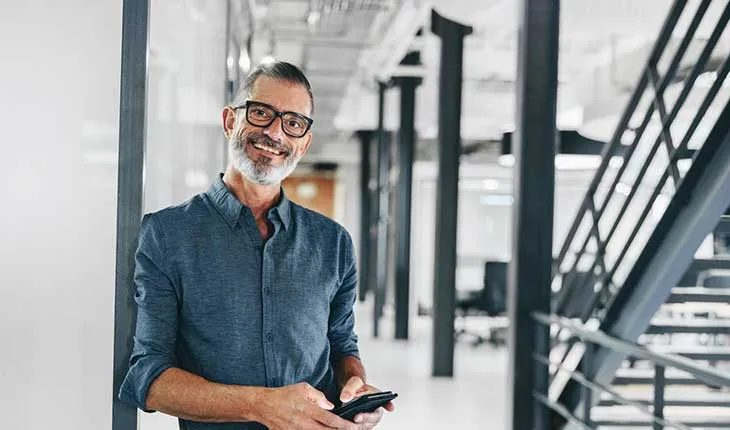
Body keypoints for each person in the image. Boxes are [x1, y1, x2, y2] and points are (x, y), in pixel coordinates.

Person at [119, 61, 394, 430]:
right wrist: (261, 405)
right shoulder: (168, 234)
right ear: (231, 121)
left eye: (293, 123)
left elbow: (342, 345)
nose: (275, 133)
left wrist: (354, 387)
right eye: (262, 113)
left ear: (304, 142)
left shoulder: (333, 243)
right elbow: (149, 378)